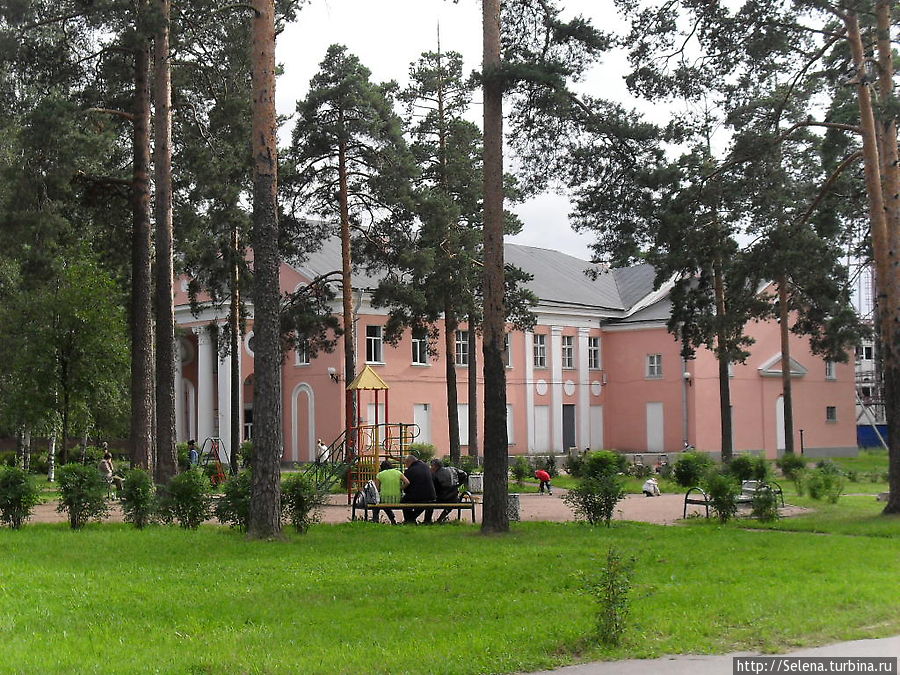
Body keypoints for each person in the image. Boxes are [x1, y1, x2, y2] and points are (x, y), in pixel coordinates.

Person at [400, 454, 436, 524]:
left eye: (405, 463)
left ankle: (409, 520)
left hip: (418, 497)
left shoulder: (409, 471)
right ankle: (414, 519)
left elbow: (407, 486)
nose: (405, 465)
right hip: (431, 495)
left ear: (409, 462)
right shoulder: (426, 467)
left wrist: (404, 490)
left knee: (404, 501)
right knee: (424, 503)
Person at [430, 459, 469, 523]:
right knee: (451, 504)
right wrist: (459, 484)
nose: (431, 468)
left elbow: (434, 489)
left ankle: (427, 520)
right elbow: (464, 474)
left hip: (442, 498)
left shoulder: (434, 475)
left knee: (429, 502)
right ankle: (440, 519)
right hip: (454, 498)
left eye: (432, 466)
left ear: (435, 466)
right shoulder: (452, 469)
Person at [373, 460, 408, 524]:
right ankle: (392, 519)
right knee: (385, 502)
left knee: (379, 502)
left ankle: (376, 520)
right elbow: (407, 482)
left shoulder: (380, 474)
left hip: (385, 499)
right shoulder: (398, 472)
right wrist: (401, 488)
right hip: (397, 499)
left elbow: (377, 489)